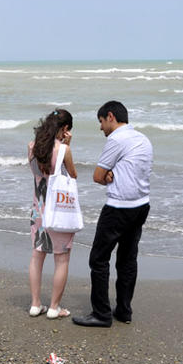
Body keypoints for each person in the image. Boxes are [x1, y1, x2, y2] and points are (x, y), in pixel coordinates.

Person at [72, 101, 153, 327]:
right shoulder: (143, 139)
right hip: (141, 205)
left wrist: (108, 174)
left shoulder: (116, 139)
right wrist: (111, 173)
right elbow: (131, 171)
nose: (101, 127)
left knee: (98, 259)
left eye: (101, 122)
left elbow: (98, 176)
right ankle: (124, 311)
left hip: (118, 207)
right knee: (127, 260)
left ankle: (101, 314)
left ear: (110, 116)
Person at [28, 109, 77, 320]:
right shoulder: (63, 149)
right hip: (59, 211)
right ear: (65, 129)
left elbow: (39, 173)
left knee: (37, 256)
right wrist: (68, 146)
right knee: (62, 259)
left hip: (38, 210)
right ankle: (54, 307)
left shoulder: (32, 147)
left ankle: (35, 304)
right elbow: (72, 176)